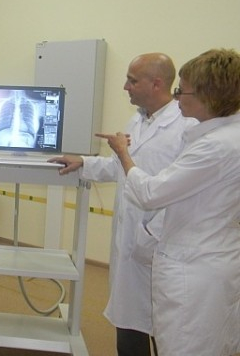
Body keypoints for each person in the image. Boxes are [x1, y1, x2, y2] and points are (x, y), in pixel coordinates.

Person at [49, 53, 197, 356]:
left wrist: (152, 235)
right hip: (132, 241)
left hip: (160, 243)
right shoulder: (138, 120)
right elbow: (122, 167)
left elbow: (184, 189)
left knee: (165, 330)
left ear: (156, 84)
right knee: (129, 325)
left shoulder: (186, 126)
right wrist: (84, 162)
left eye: (132, 80)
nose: (125, 87)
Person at [96, 49, 240, 356]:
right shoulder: (221, 135)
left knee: (181, 343)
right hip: (197, 256)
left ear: (207, 95)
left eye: (182, 90)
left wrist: (123, 153)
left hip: (192, 264)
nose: (177, 97)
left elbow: (151, 192)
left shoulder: (212, 144)